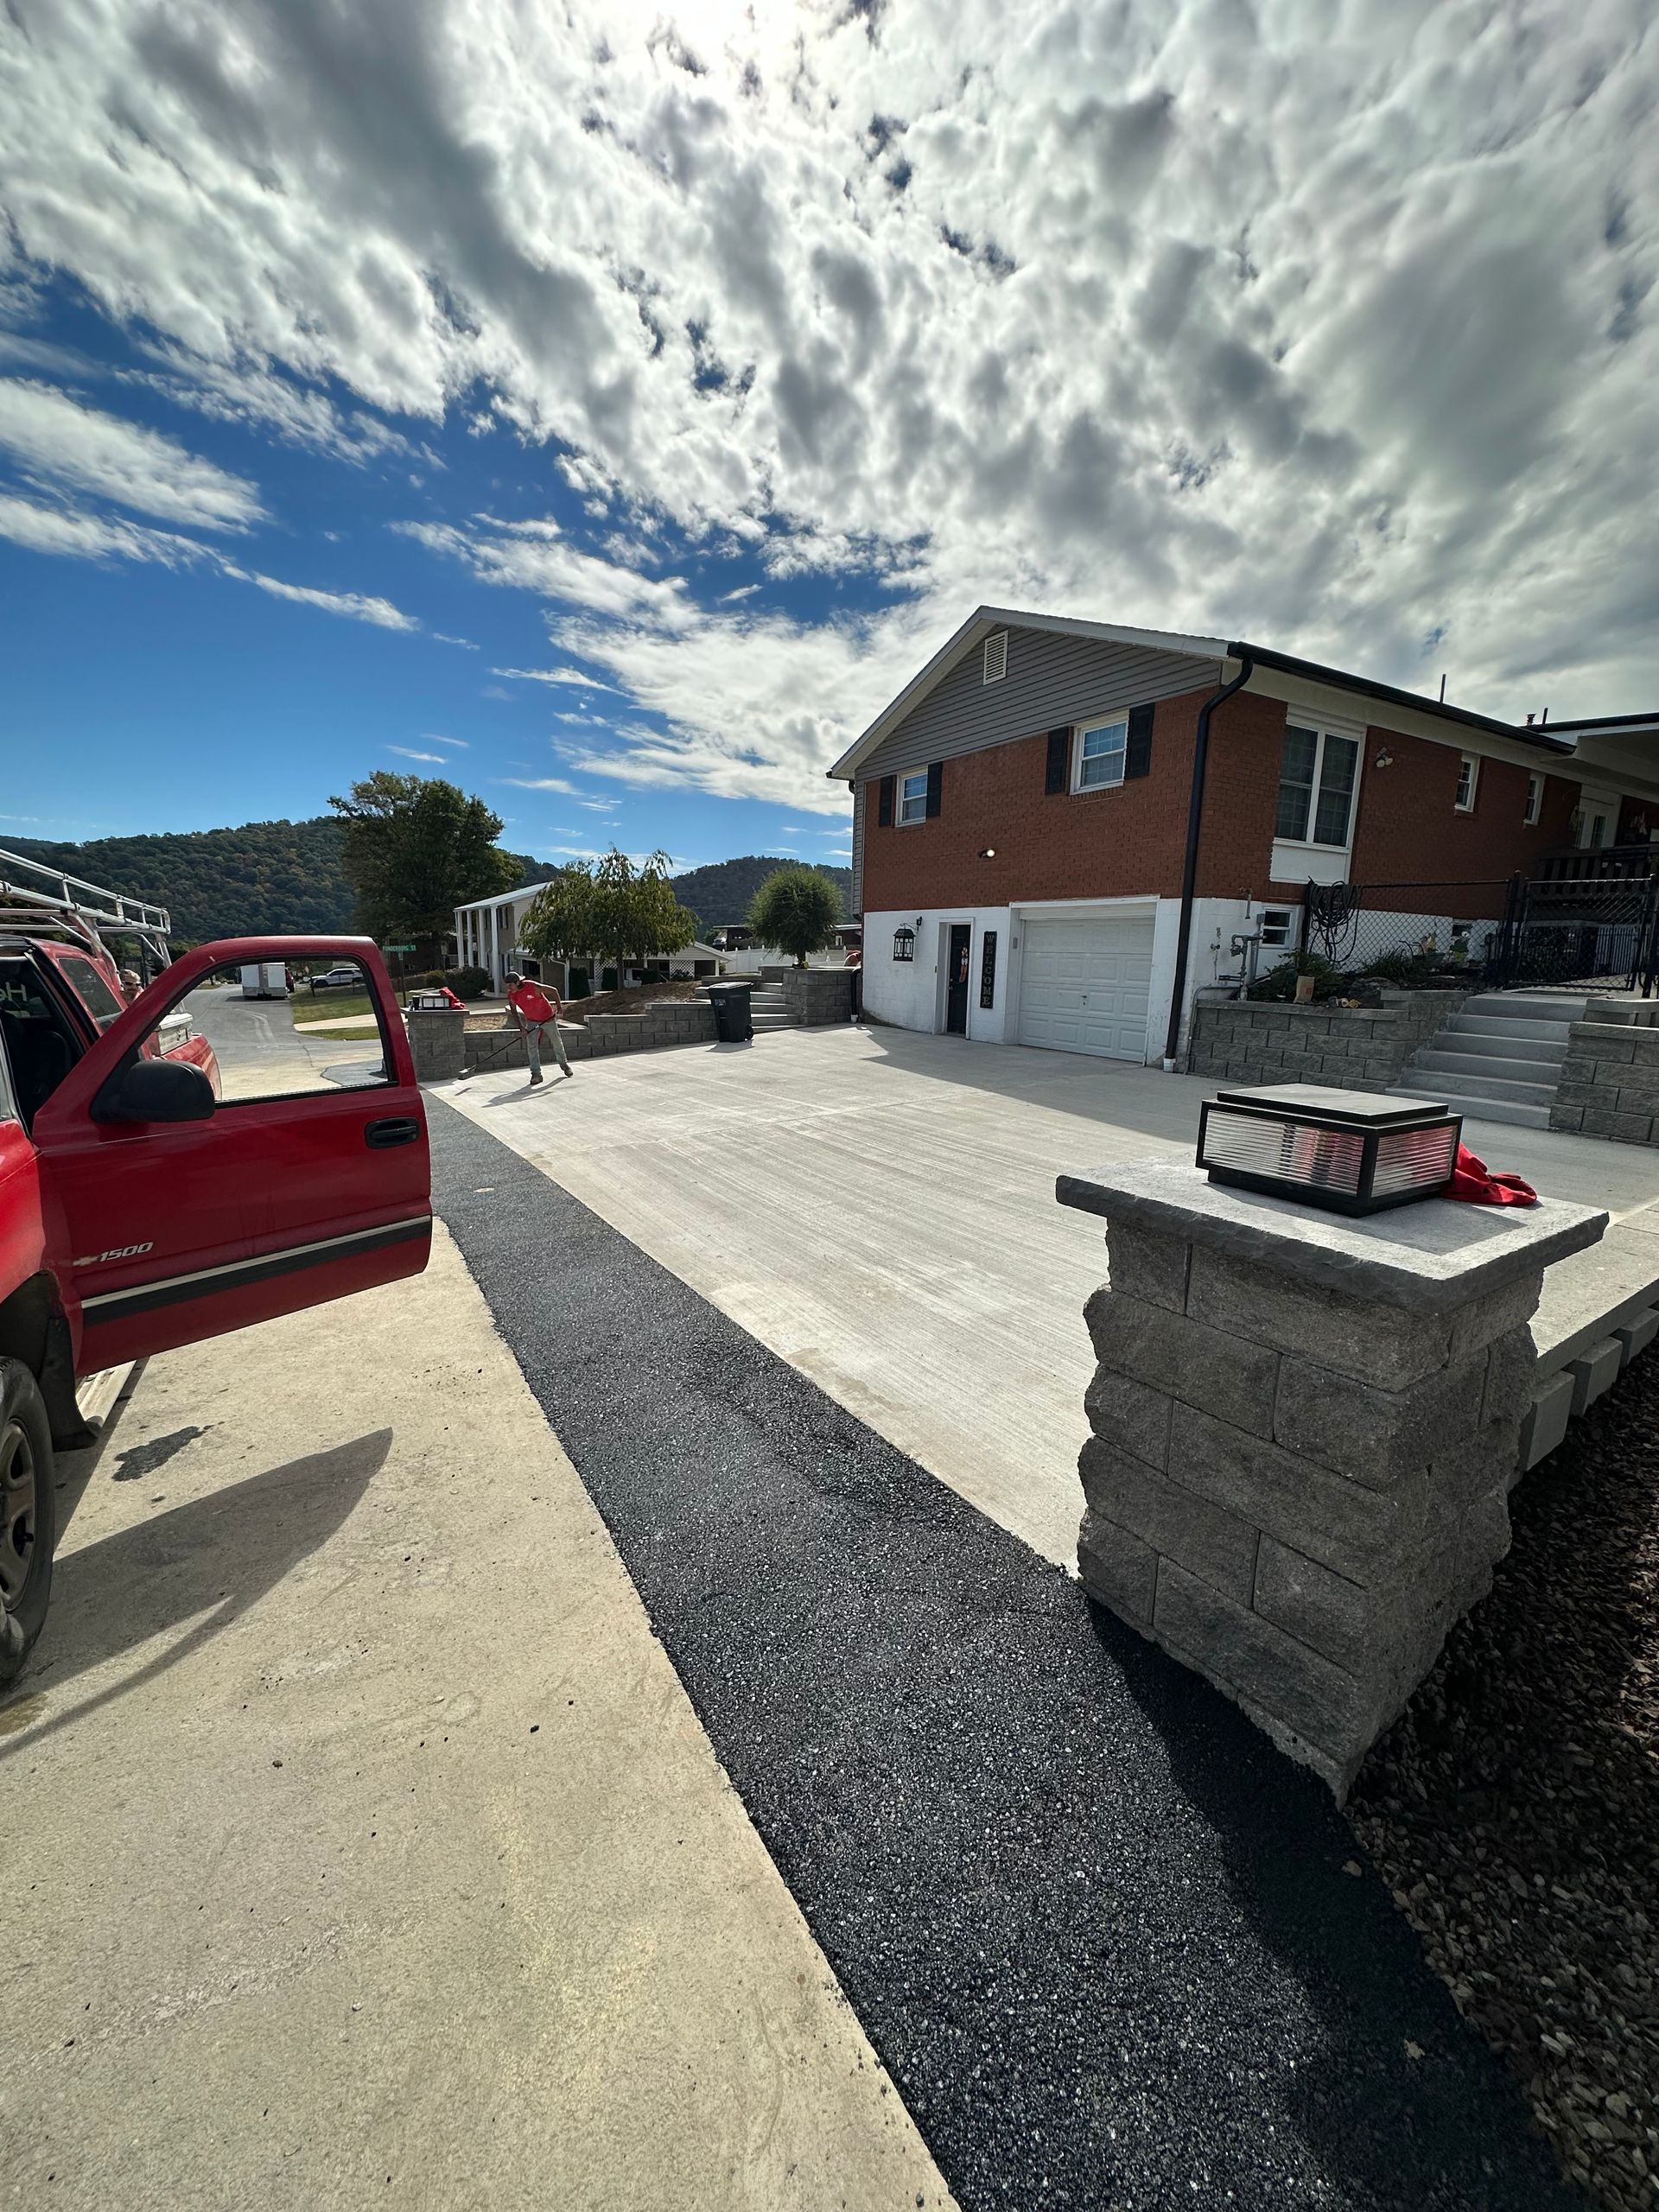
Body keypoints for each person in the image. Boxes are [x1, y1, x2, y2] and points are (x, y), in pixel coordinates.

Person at [505, 969, 571, 1084]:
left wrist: (559, 1007)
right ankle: (536, 1074)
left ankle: (564, 1065)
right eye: (508, 985)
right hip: (531, 1021)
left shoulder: (533, 987)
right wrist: (521, 1028)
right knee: (532, 1047)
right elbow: (514, 1011)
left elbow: (554, 991)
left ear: (518, 983)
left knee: (556, 1042)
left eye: (511, 985)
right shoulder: (511, 994)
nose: (509, 988)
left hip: (548, 1018)